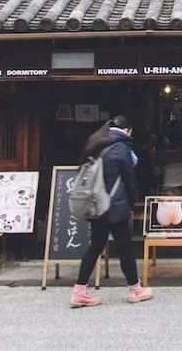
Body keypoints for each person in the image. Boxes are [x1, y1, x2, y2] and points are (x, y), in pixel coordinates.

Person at [69, 115, 154, 307]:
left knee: (95, 246)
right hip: (116, 206)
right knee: (125, 248)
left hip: (96, 204)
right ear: (127, 130)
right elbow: (129, 180)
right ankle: (135, 289)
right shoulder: (121, 148)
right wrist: (133, 201)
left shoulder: (95, 144)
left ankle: (79, 290)